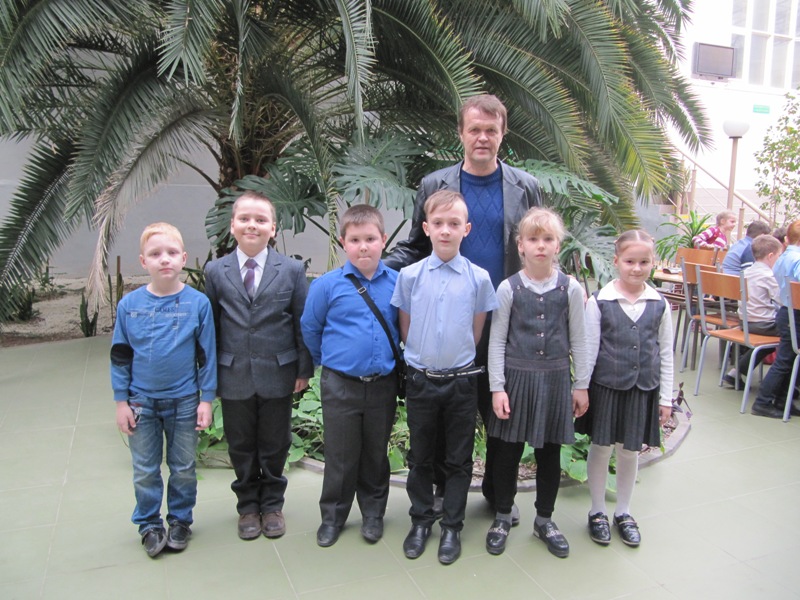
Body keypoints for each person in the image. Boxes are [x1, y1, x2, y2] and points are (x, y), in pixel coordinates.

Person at [385, 93, 541, 521]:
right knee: (443, 414)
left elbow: (539, 244)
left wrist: (565, 287)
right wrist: (376, 268)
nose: (483, 137)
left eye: (491, 130)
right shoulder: (435, 185)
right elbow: (415, 248)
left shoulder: (526, 187)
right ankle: (439, 491)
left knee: (501, 412)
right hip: (449, 323)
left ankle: (498, 494)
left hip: (505, 321)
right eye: (475, 129)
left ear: (503, 134)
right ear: (461, 134)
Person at [391, 190, 498, 565]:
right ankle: (421, 520)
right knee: (420, 456)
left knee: (458, 459)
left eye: (454, 223)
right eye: (438, 223)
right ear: (426, 228)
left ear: (466, 229)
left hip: (461, 382)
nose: (446, 230)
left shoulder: (479, 279)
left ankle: (452, 525)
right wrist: (423, 359)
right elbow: (406, 327)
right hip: (421, 380)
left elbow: (476, 332)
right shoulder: (409, 276)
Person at [204, 191, 313, 540]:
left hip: (278, 372)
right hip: (232, 372)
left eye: (261, 220)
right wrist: (210, 376)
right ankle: (248, 506)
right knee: (240, 443)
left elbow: (301, 323)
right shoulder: (215, 271)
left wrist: (303, 369)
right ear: (232, 226)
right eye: (245, 219)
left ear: (273, 228)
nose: (252, 225)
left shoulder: (292, 270)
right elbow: (211, 327)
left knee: (275, 442)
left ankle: (273, 505)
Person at [483, 207, 590, 558]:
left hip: (555, 380)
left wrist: (581, 384)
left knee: (549, 454)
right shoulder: (508, 288)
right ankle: (502, 515)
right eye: (533, 239)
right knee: (507, 453)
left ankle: (544, 519)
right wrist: (497, 387)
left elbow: (580, 339)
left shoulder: (570, 288)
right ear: (521, 246)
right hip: (516, 380)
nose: (540, 245)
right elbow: (497, 341)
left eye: (548, 239)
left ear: (558, 245)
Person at [111, 222, 217, 558]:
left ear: (183, 258)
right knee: (145, 469)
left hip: (184, 400)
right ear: (144, 261)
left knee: (183, 467)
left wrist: (206, 399)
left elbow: (207, 356)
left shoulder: (198, 304)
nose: (165, 259)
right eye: (155, 254)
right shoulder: (129, 306)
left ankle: (180, 520)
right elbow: (120, 356)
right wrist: (121, 402)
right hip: (141, 402)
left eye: (172, 252)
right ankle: (149, 525)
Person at [301, 205, 400, 548]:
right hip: (340, 385)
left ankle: (373, 514)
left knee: (375, 453)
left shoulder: (397, 284)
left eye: (370, 239)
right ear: (343, 242)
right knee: (340, 455)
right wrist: (330, 363)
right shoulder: (327, 286)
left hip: (382, 385)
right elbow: (311, 329)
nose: (363, 247)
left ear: (383, 240)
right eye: (355, 240)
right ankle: (333, 516)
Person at [576, 230, 673, 548]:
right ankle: (597, 510)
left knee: (629, 450)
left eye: (644, 262)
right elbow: (589, 349)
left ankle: (624, 511)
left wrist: (666, 397)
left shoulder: (660, 304)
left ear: (653, 263)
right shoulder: (600, 301)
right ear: (616, 261)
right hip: (606, 387)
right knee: (601, 447)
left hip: (642, 389)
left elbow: (666, 353)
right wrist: (582, 387)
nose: (637, 268)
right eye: (630, 261)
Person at [750, 219, 800, 419]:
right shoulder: (797, 259)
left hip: (787, 313)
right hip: (794, 314)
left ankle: (782, 399)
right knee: (785, 360)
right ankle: (762, 402)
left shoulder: (785, 256)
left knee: (789, 359)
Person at [723, 234, 783, 387]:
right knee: (791, 335)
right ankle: (784, 383)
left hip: (746, 322)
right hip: (763, 324)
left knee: (770, 344)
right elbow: (782, 300)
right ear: (771, 256)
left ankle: (736, 372)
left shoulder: (746, 272)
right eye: (779, 256)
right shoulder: (768, 275)